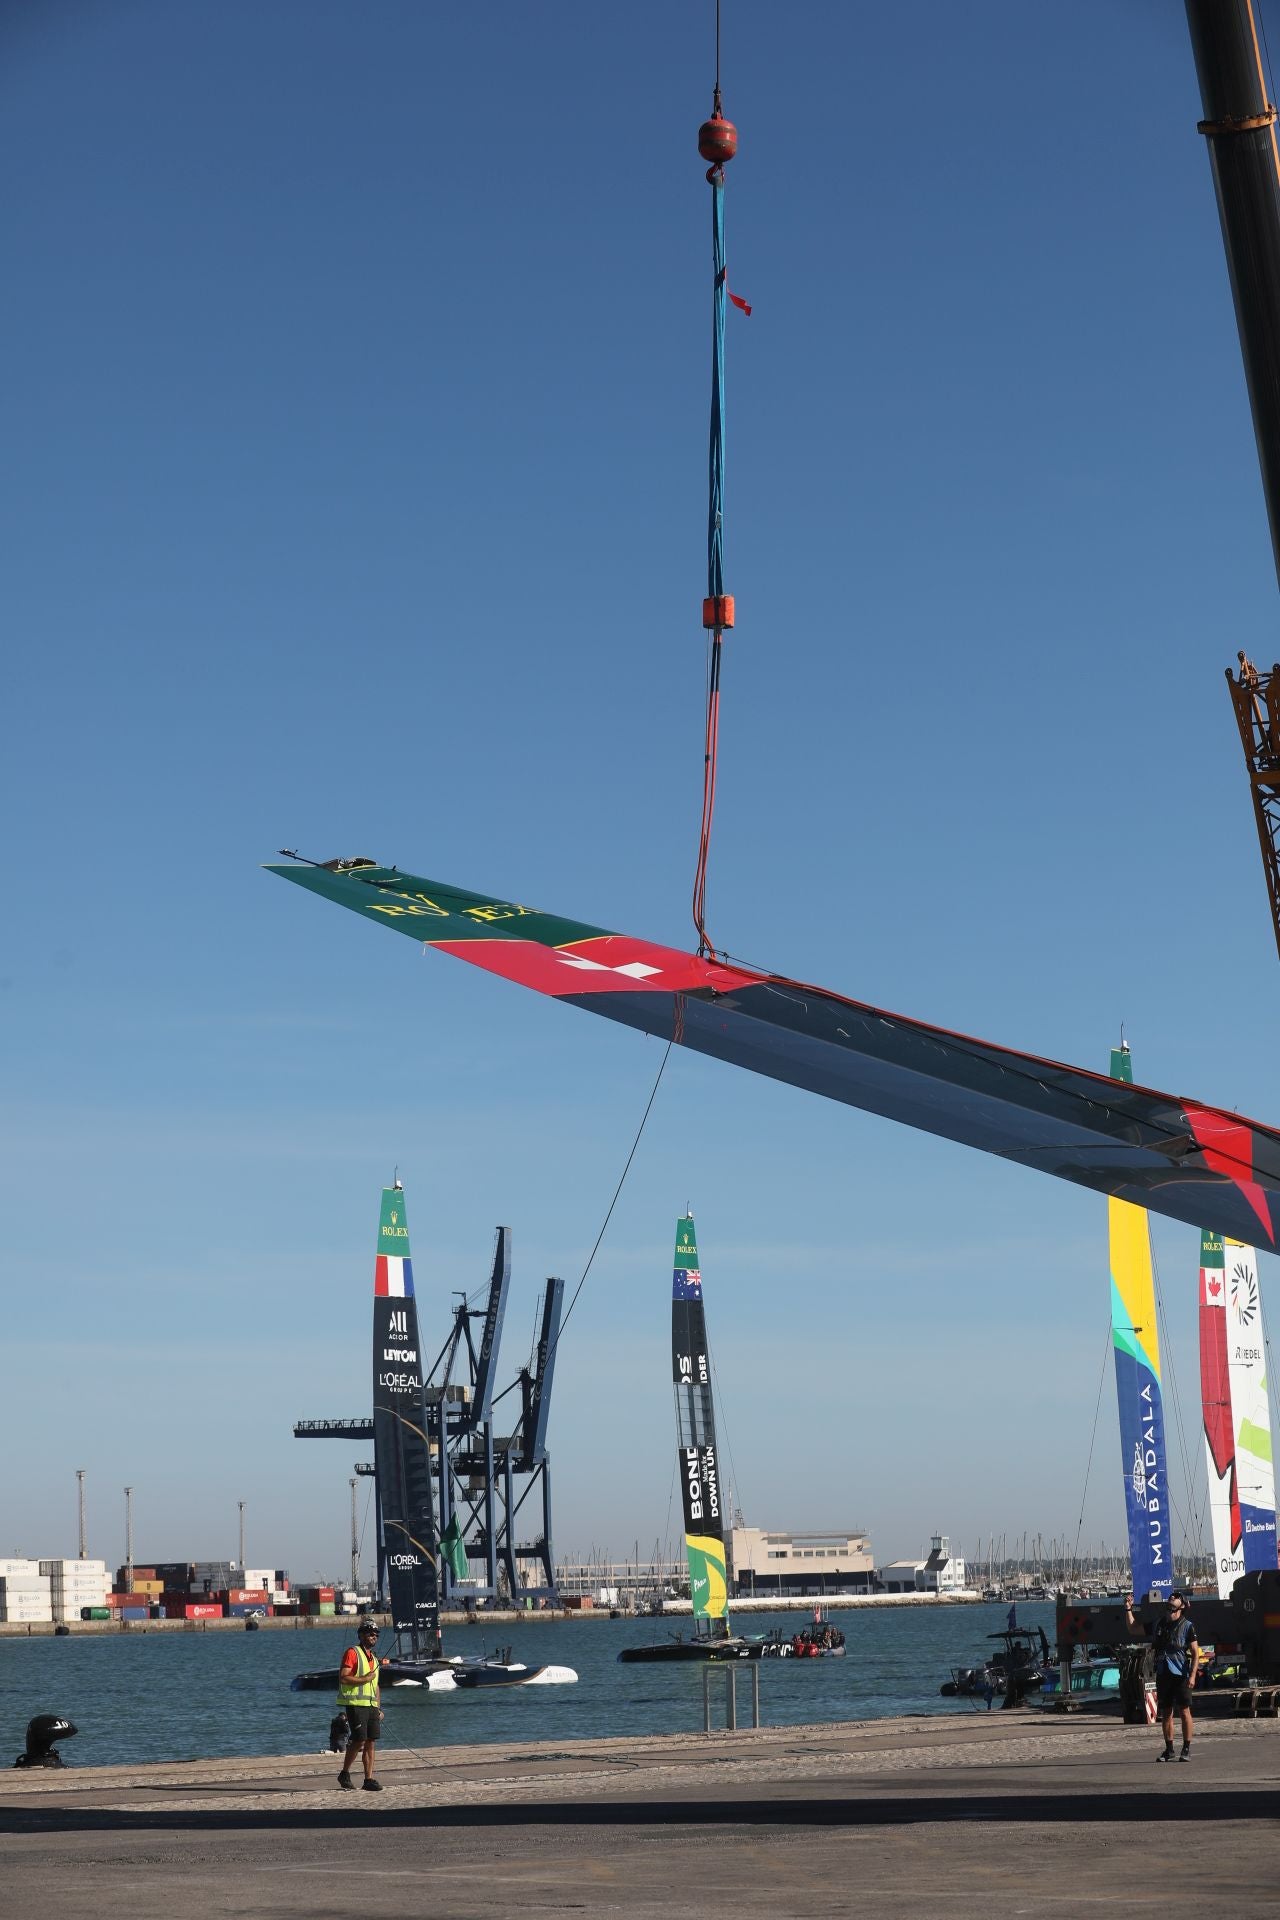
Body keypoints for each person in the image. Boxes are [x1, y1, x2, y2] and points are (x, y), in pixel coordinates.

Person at [1125, 1590, 1199, 1761]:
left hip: (1181, 1673)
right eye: (1172, 1595)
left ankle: (1186, 1748)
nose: (1172, 1597)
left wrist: (1193, 1675)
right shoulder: (1159, 1623)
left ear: (1182, 1605)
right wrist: (1128, 1609)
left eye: (1177, 1596)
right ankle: (1169, 1749)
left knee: (1184, 1710)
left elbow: (1195, 1653)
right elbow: (1133, 1629)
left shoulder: (1188, 1626)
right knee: (1166, 1712)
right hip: (1163, 1672)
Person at [336, 1620, 383, 1791]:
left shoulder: (374, 1658)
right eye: (370, 1634)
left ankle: (368, 1779)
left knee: (371, 1741)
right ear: (361, 1635)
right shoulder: (352, 1652)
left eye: (376, 1635)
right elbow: (343, 1676)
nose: (374, 1637)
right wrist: (365, 1678)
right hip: (355, 1704)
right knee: (359, 1739)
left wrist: (378, 1708)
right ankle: (345, 1773)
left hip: (371, 1706)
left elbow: (376, 1685)